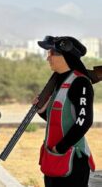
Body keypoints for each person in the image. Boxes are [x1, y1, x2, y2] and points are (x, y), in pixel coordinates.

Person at [35, 36, 95, 187]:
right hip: (54, 160)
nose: (48, 58)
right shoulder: (59, 82)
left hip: (72, 161)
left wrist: (59, 148)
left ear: (65, 56)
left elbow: (84, 121)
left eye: (51, 53)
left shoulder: (80, 82)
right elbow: (59, 120)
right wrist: (41, 110)